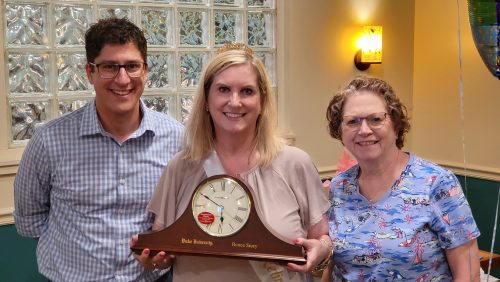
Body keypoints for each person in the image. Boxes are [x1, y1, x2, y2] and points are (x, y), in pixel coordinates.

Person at [131, 42, 332, 281]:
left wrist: (321, 250)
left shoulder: (295, 164)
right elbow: (163, 248)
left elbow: (323, 239)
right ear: (206, 100)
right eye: (223, 89)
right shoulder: (181, 168)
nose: (235, 102)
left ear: (262, 101)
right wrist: (153, 257)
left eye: (247, 91)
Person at [14, 18, 184, 282]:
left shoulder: (175, 138)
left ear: (146, 71)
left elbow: (181, 215)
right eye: (109, 67)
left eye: (132, 66)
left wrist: (164, 250)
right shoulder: (49, 141)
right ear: (89, 72)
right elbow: (30, 219)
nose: (123, 78)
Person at [324, 76, 481, 281]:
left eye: (376, 119)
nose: (364, 130)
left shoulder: (437, 183)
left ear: (396, 126)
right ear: (340, 131)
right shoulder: (340, 187)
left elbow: (468, 273)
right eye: (352, 121)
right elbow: (334, 265)